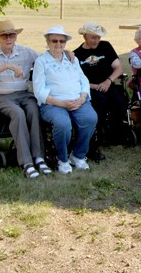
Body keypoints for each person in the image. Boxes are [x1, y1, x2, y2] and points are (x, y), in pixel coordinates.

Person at [0, 20, 51, 179]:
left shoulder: (25, 52)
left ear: (16, 36)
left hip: (24, 93)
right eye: (4, 36)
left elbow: (46, 59)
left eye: (12, 35)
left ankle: (39, 157)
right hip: (2, 96)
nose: (8, 38)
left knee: (33, 109)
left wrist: (65, 53)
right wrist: (7, 66)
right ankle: (26, 162)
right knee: (18, 113)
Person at [33, 25, 98, 174]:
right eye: (54, 41)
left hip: (77, 100)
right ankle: (62, 159)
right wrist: (60, 103)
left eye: (62, 41)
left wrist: (82, 98)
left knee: (90, 118)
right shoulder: (41, 62)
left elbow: (84, 80)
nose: (58, 44)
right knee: (62, 124)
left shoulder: (71, 59)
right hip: (52, 103)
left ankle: (78, 155)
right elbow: (39, 91)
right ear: (48, 42)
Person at [73, 22, 127, 152]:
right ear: (84, 36)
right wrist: (94, 86)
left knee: (120, 101)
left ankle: (116, 133)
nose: (96, 40)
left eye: (98, 37)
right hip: (90, 88)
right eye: (93, 37)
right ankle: (98, 135)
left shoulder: (106, 46)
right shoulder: (77, 54)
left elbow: (119, 68)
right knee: (99, 103)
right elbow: (76, 79)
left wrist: (108, 81)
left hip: (108, 83)